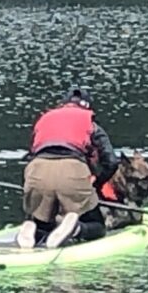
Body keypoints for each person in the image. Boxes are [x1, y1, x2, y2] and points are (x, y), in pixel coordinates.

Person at [17, 86, 118, 249]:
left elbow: (31, 154)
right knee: (97, 225)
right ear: (87, 107)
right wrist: (95, 185)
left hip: (37, 170)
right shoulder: (90, 124)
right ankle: (76, 228)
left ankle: (33, 227)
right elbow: (111, 162)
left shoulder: (45, 120)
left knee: (43, 220)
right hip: (72, 170)